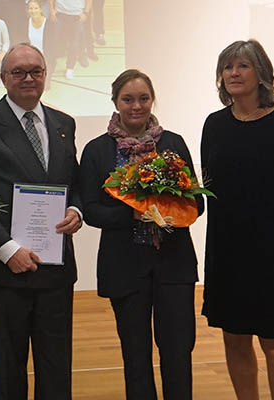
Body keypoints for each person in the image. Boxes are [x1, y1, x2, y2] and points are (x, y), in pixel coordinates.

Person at [0, 43, 82, 400]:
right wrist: (7, 250)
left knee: (57, 366)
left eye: (36, 71)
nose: (28, 78)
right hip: (4, 269)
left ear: (45, 75)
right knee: (8, 368)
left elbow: (70, 182)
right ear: (3, 78)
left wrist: (76, 210)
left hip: (55, 265)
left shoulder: (63, 123)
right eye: (19, 72)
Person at [79, 69, 203, 400]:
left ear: (152, 100)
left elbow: (198, 202)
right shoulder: (97, 151)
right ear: (115, 102)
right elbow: (90, 210)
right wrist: (130, 213)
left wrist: (169, 211)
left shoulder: (173, 143)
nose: (137, 106)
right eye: (128, 99)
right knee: (135, 355)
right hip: (125, 266)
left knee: (178, 352)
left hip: (173, 265)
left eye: (143, 98)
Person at [201, 39, 274, 400]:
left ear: (261, 73)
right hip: (226, 248)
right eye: (227, 67)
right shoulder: (214, 125)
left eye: (242, 66)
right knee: (234, 336)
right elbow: (210, 184)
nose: (233, 73)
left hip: (271, 250)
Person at [48, 0, 92, 80]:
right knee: (55, 41)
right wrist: (51, 10)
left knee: (74, 43)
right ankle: (51, 65)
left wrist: (86, 13)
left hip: (76, 15)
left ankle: (70, 68)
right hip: (60, 14)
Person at [25, 0, 55, 90]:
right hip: (30, 57)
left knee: (45, 87)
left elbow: (52, 46)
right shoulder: (26, 22)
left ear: (41, 9)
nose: (33, 11)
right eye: (31, 8)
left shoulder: (49, 24)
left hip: (45, 58)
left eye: (35, 8)